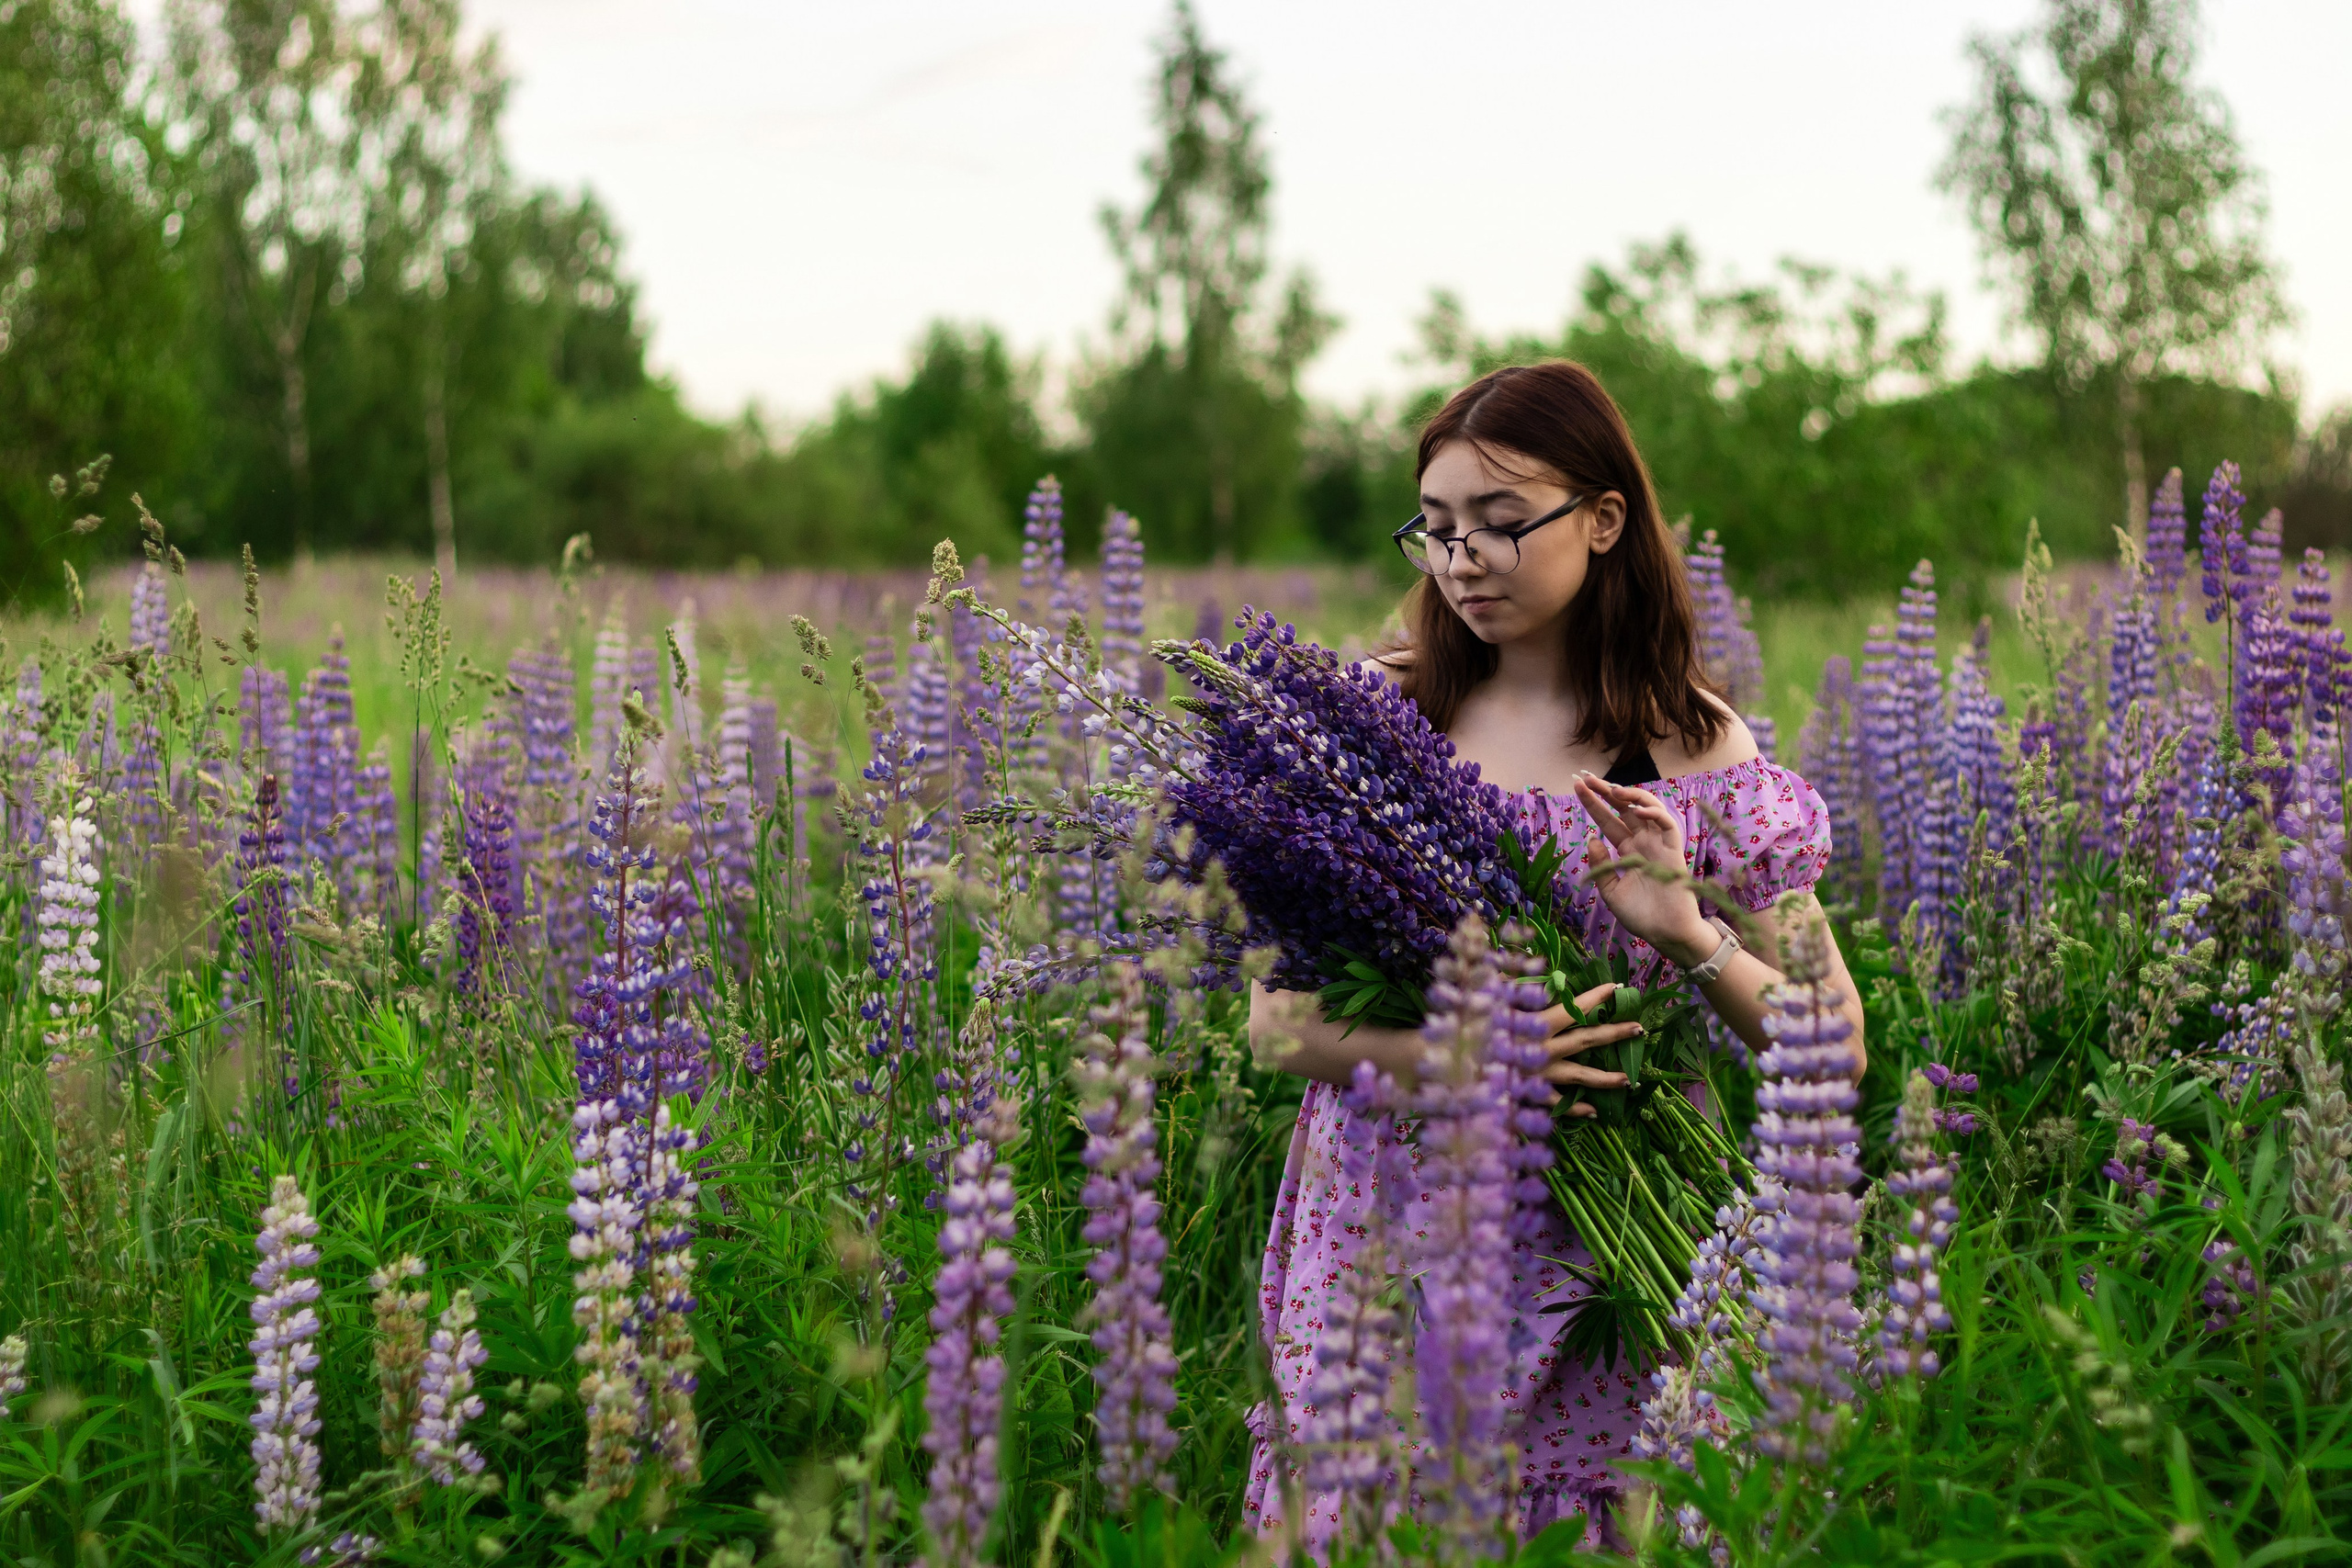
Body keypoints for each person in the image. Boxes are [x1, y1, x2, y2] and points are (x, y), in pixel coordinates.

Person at [1240, 359, 1867, 1551]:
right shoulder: (1375, 723)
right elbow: (1276, 1028)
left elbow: (1834, 1047)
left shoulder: (1694, 750)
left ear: (1604, 519)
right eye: (1435, 529)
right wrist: (1472, 1058)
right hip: (1392, 1225)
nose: (1461, 559)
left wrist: (1688, 930)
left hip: (1616, 1247)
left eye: (1499, 522)